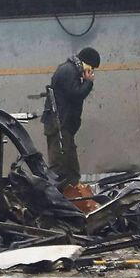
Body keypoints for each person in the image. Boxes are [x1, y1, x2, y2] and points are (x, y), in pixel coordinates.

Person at [41, 47, 101, 188]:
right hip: (59, 126)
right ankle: (57, 199)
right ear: (86, 63)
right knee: (60, 167)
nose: (92, 71)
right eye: (91, 68)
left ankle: (73, 196)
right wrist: (88, 82)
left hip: (64, 126)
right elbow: (76, 95)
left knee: (71, 167)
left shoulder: (71, 70)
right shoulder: (68, 71)